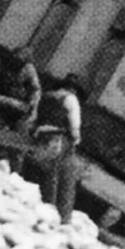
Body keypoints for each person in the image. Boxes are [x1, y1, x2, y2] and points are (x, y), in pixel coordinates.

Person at [29, 76, 83, 222]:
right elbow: (75, 126)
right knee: (63, 176)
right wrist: (75, 140)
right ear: (74, 89)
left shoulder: (46, 96)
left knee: (48, 176)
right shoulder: (70, 99)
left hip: (41, 138)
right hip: (58, 139)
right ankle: (60, 216)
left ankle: (46, 207)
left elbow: (33, 117)